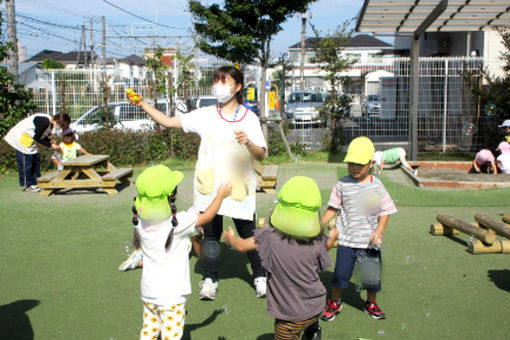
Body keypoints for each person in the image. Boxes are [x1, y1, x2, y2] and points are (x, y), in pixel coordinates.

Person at [129, 65, 267, 300]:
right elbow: (168, 122)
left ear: (238, 87)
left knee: (249, 233)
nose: (218, 86)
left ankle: (260, 276)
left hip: (239, 187)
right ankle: (210, 279)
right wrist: (143, 104)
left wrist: (247, 143)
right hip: (210, 188)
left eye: (224, 81)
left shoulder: (249, 118)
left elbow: (261, 154)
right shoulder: (204, 115)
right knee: (211, 236)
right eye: (216, 81)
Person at [224, 176, 338, 340]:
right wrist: (332, 237)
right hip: (316, 306)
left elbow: (242, 246)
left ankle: (311, 331)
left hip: (288, 316)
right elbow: (325, 248)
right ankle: (312, 330)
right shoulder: (317, 239)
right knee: (309, 321)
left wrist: (231, 239)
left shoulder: (270, 236)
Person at [132, 164, 232, 340]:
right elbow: (207, 216)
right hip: (171, 297)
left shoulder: (140, 221)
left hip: (149, 293)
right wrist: (220, 196)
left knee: (149, 334)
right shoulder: (178, 223)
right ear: (172, 196)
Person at [321, 137, 397, 322]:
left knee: (371, 276)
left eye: (360, 164)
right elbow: (332, 208)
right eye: (351, 163)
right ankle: (335, 302)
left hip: (369, 242)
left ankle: (371, 303)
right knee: (340, 274)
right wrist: (319, 226)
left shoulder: (377, 185)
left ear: (371, 164)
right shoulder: (342, 184)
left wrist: (379, 231)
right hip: (346, 240)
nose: (355, 167)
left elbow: (385, 211)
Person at [3, 113, 70, 192]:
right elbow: (37, 137)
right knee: (27, 162)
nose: (60, 128)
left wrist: (49, 142)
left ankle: (36, 182)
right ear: (57, 122)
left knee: (36, 159)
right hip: (19, 137)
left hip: (28, 139)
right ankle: (29, 184)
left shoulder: (49, 123)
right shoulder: (44, 121)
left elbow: (41, 135)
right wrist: (50, 145)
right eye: (61, 126)